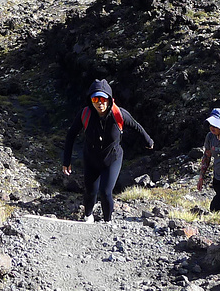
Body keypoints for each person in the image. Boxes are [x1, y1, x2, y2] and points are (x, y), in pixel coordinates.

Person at [62, 79, 154, 223]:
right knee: (90, 192)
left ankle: (107, 223)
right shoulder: (85, 114)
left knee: (105, 192)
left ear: (110, 99)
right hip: (91, 158)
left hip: (113, 158)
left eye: (103, 99)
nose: (100, 103)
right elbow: (71, 135)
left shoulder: (119, 114)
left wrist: (148, 141)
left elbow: (136, 126)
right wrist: (66, 161)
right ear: (91, 100)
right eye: (95, 99)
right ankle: (88, 216)